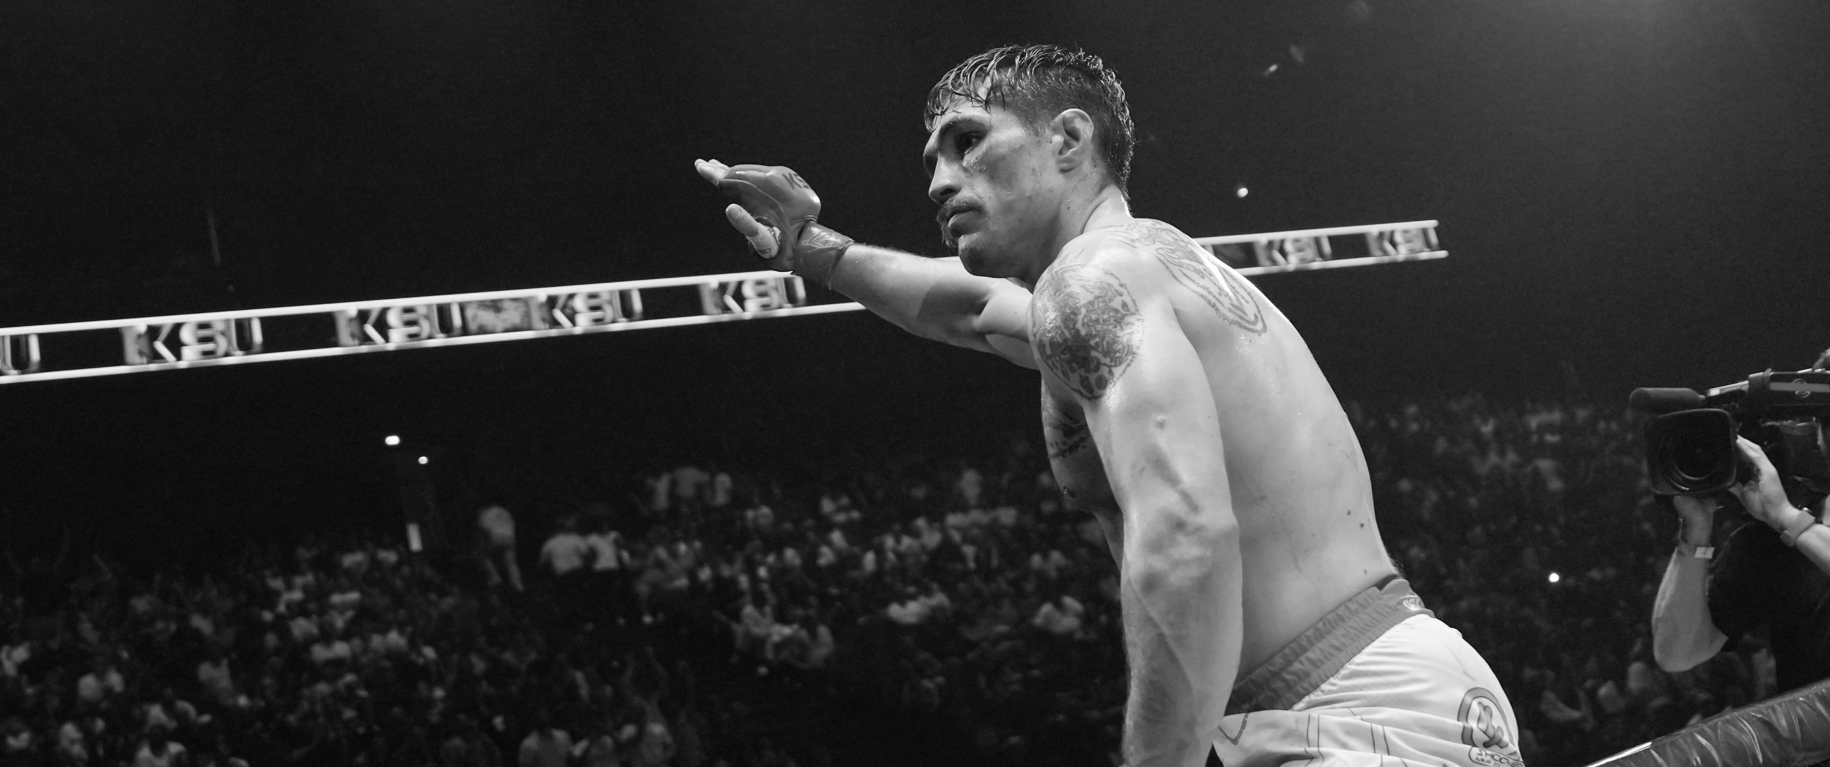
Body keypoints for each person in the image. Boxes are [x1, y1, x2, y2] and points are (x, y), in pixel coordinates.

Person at [693, 44, 1522, 766]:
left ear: (1068, 139)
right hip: (1378, 685)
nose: (941, 181)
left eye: (968, 141)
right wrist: (812, 249)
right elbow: (966, 309)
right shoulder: (1137, 269)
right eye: (933, 160)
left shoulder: (1091, 280)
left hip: (1346, 709)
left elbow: (1185, 535)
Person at [1652, 436, 1830, 693]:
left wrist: (1787, 518)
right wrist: (1695, 532)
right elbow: (1676, 653)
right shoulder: (1769, 541)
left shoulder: (1786, 523)